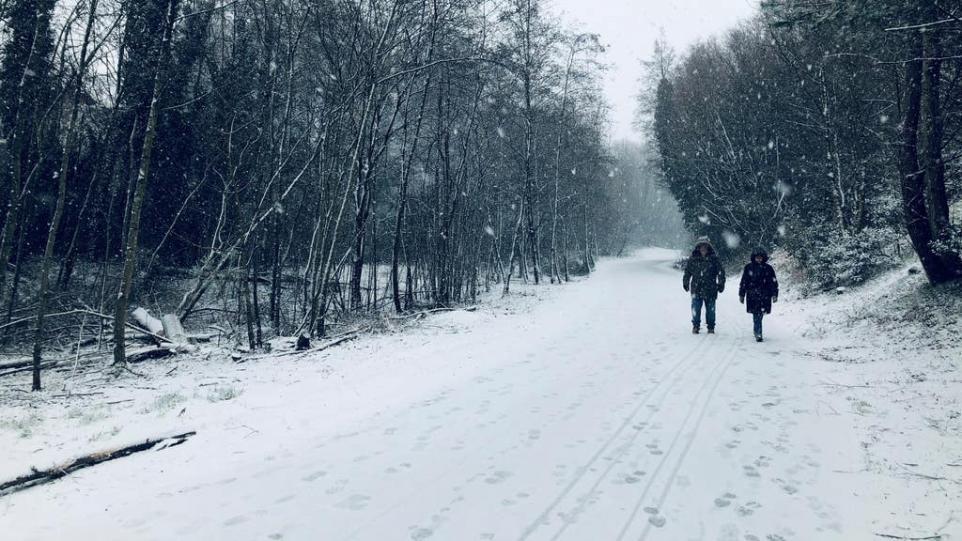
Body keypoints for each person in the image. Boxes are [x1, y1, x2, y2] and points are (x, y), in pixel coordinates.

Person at [683, 237, 726, 334]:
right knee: (696, 309)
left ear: (708, 247)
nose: (703, 248)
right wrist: (685, 282)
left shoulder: (714, 259)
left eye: (705, 246)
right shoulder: (693, 259)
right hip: (696, 288)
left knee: (711, 311)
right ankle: (696, 326)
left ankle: (711, 327)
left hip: (711, 288)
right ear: (698, 247)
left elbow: (721, 272)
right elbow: (687, 272)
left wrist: (721, 283)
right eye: (701, 246)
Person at [739, 248, 779, 342]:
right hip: (752, 295)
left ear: (763, 258)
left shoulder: (768, 268)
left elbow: (773, 282)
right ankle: (758, 332)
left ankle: (757, 329)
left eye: (760, 258)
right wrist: (742, 294)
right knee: (756, 314)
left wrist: (774, 294)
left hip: (765, 295)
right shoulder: (749, 267)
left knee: (760, 314)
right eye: (757, 257)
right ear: (754, 258)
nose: (759, 259)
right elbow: (744, 282)